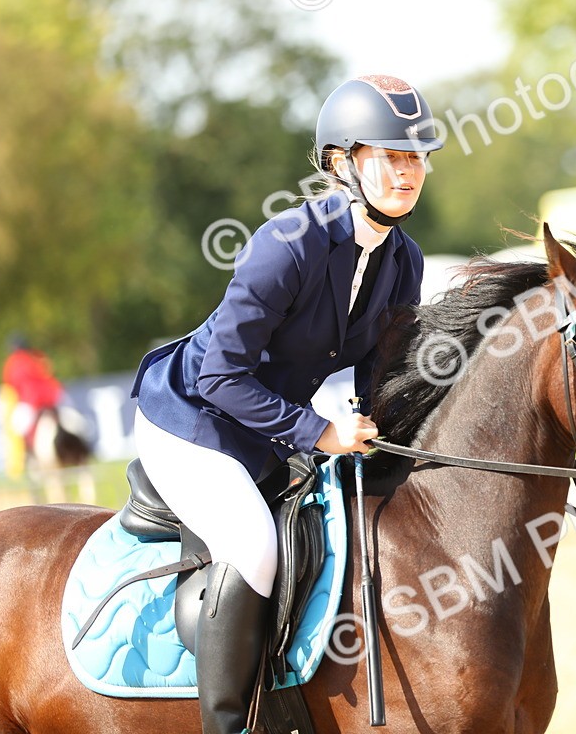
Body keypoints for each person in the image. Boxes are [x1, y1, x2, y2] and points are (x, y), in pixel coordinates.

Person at [129, 74, 442, 733]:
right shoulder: (287, 245)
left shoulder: (403, 259)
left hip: (265, 430)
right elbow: (219, 375)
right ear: (342, 162)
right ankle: (227, 724)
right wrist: (317, 432)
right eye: (393, 156)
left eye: (417, 157)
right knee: (254, 544)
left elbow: (379, 369)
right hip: (190, 419)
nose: (409, 172)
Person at [1, 334, 65, 476]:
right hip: (53, 398)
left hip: (32, 402)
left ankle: (26, 461)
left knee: (16, 427)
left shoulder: (14, 361)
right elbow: (50, 373)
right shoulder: (38, 356)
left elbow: (11, 385)